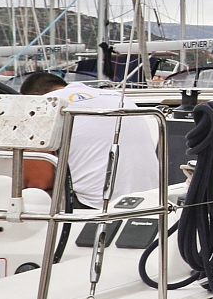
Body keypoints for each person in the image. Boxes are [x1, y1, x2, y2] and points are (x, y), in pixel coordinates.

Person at [16, 71, 163, 208]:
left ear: (29, 97)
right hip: (149, 201)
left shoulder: (41, 105)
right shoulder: (118, 97)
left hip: (95, 206)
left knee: (29, 198)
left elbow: (38, 182)